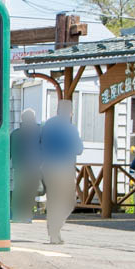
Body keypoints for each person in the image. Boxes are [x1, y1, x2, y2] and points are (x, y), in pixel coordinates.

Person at [39, 99, 84, 244]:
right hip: (64, 167)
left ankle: (53, 234)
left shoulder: (47, 125)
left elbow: (40, 144)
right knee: (69, 201)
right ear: (70, 112)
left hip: (47, 166)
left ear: (57, 110)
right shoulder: (70, 128)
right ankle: (56, 228)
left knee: (53, 200)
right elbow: (78, 149)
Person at [9, 108, 41, 222]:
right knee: (25, 191)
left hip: (29, 166)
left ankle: (23, 215)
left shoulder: (17, 133)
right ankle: (22, 215)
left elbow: (10, 152)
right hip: (28, 166)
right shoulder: (38, 131)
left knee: (25, 191)